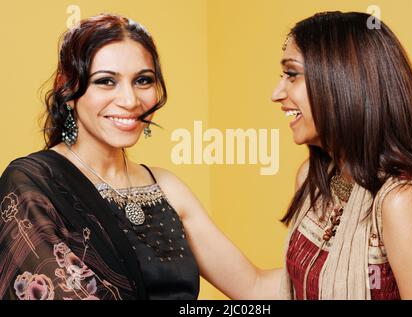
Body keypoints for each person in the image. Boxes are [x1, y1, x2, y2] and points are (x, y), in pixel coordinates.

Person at [0, 13, 280, 300]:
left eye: (143, 80)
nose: (130, 100)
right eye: (106, 81)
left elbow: (255, 288)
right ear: (68, 89)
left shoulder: (166, 186)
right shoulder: (33, 183)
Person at [271, 11, 412, 299]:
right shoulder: (320, 180)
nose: (276, 93)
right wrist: (180, 206)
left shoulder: (401, 202)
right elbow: (300, 284)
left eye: (292, 75)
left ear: (343, 80)